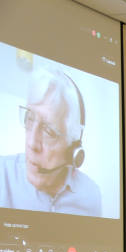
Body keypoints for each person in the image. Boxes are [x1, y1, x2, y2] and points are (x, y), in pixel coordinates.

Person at [0, 67, 101, 216]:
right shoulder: (3, 175)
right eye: (29, 118)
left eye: (48, 131)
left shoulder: (91, 195)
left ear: (72, 149)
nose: (31, 143)